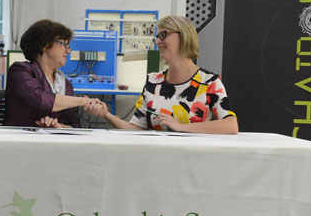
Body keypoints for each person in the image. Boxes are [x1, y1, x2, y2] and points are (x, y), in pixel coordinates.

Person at [85, 15, 239, 134]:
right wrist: (107, 115)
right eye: (156, 37)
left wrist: (181, 127)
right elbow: (136, 129)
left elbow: (231, 125)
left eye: (163, 35)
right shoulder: (153, 82)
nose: (158, 41)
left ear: (184, 35)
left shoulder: (210, 83)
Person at [4, 19, 103, 128]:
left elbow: (75, 125)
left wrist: (60, 126)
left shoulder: (66, 85)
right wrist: (83, 101)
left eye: (68, 46)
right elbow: (41, 99)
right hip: (21, 140)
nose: (68, 51)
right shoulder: (20, 71)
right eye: (63, 44)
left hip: (52, 141)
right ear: (44, 44)